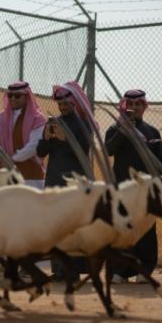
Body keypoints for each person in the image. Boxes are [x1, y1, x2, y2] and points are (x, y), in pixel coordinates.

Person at [105, 89, 162, 284]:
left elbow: (161, 164)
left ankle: (144, 269)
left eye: (137, 104)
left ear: (144, 106)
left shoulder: (152, 132)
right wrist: (124, 130)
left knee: (145, 231)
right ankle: (119, 270)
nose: (133, 108)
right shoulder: (114, 129)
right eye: (129, 104)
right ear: (124, 106)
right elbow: (108, 150)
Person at [37, 82, 93, 282]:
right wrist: (45, 138)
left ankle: (74, 271)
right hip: (53, 182)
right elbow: (40, 152)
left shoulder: (83, 125)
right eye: (59, 104)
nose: (61, 107)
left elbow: (82, 151)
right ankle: (58, 270)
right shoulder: (53, 123)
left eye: (65, 103)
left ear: (74, 103)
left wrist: (64, 138)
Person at [0, 81, 47, 190]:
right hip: (4, 174)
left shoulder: (37, 118)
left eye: (17, 95)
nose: (13, 98)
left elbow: (34, 145)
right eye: (10, 95)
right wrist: (4, 157)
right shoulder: (0, 118)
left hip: (30, 176)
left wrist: (14, 158)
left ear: (26, 97)